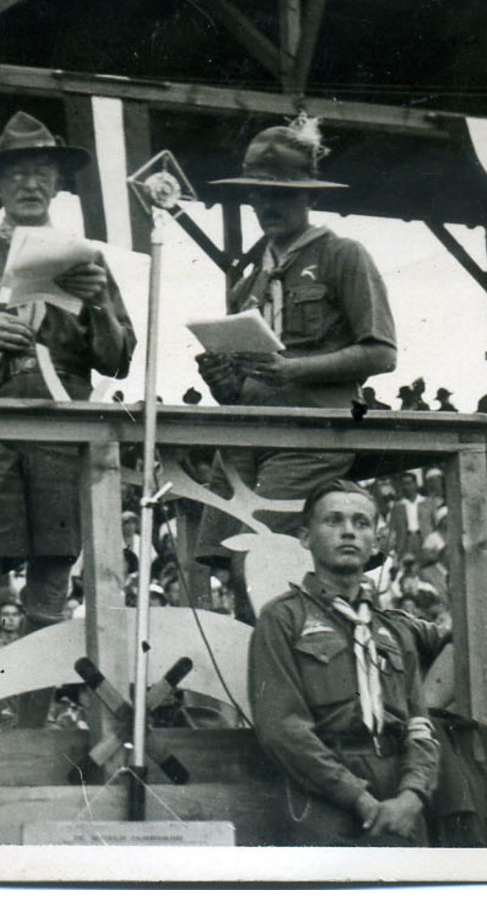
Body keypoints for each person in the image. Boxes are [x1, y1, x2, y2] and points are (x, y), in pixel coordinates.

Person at [0, 112, 136, 728]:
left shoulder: (88, 259)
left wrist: (96, 304)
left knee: (48, 590)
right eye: (17, 173)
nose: (31, 184)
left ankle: (31, 731)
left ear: (59, 184)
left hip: (62, 426)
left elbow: (119, 359)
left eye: (43, 172)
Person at [194, 115, 396, 621]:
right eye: (258, 194)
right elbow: (243, 385)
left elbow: (382, 352)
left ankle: (298, 670)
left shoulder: (342, 256)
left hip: (310, 435)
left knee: (263, 559)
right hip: (248, 434)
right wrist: (223, 382)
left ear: (309, 196)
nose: (267, 205)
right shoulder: (249, 281)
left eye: (280, 193)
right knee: (227, 562)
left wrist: (296, 371)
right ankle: (254, 682)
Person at [248, 479, 440, 846]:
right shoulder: (283, 620)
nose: (349, 531)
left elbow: (420, 725)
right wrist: (358, 797)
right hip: (324, 800)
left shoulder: (394, 631)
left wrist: (413, 795)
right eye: (333, 521)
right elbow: (283, 728)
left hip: (400, 801)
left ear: (376, 542)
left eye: (361, 523)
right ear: (305, 537)